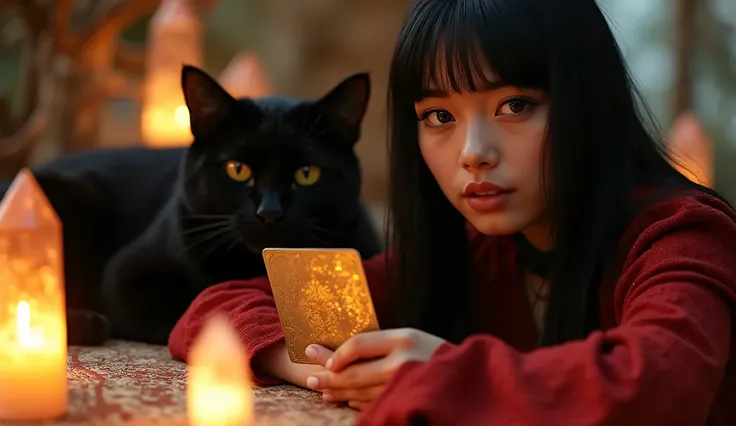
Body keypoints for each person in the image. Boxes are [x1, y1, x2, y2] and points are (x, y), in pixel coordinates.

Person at [168, 0, 736, 424]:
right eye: (438, 116)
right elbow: (220, 309)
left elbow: (658, 384)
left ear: (586, 101)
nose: (473, 153)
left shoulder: (680, 235)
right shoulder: (475, 248)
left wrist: (442, 373)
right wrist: (320, 362)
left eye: (515, 106)